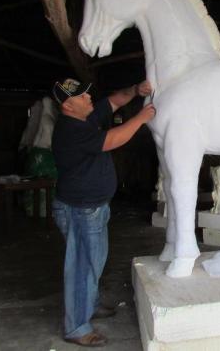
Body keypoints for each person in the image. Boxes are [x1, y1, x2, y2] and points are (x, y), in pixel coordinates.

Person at [51, 77, 155, 347]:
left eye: (87, 94)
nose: (89, 99)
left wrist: (135, 89)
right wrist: (142, 117)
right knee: (83, 267)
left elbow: (113, 100)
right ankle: (77, 327)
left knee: (93, 261)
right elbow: (112, 139)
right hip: (80, 210)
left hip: (92, 208)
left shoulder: (85, 116)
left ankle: (90, 304)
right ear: (67, 106)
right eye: (82, 98)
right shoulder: (70, 129)